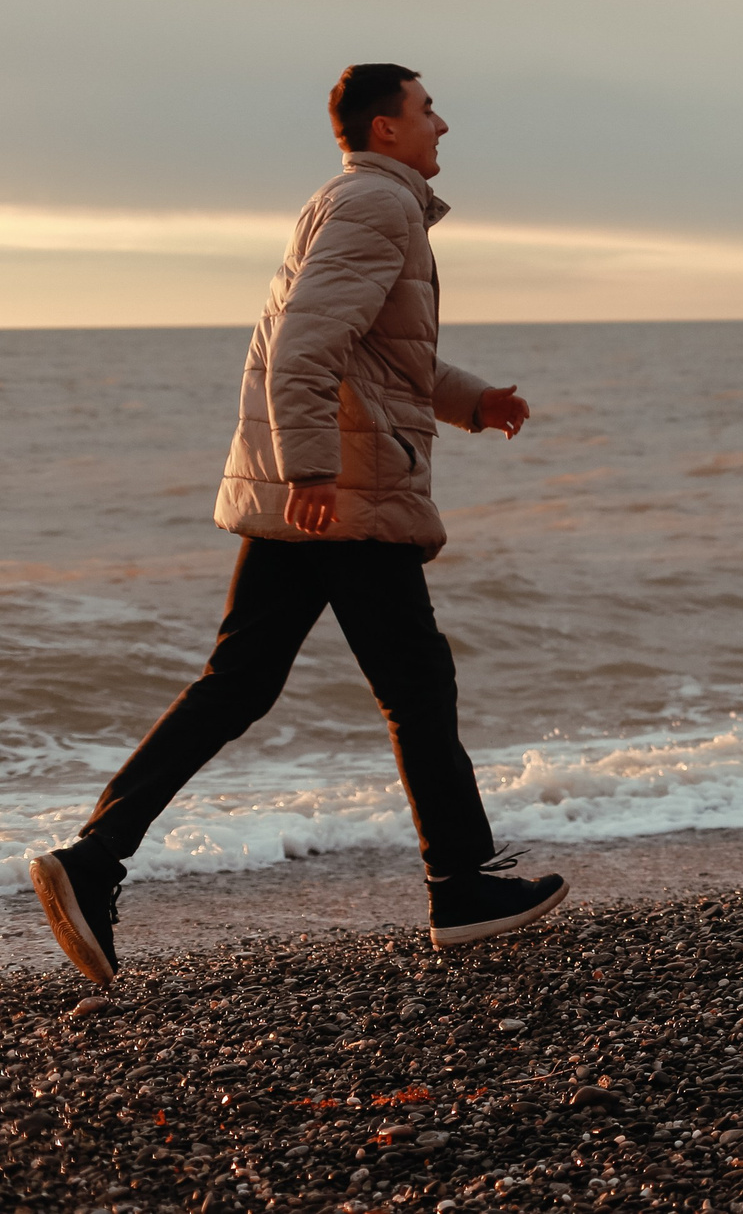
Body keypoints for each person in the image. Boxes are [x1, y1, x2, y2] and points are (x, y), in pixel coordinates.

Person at [29, 65, 569, 986]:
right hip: (343, 494)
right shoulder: (378, 207)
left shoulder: (359, 203)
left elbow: (378, 358)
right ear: (385, 128)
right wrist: (310, 467)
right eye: (427, 108)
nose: (443, 122)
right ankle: (461, 888)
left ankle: (96, 857)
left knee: (242, 684)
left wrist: (475, 402)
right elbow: (304, 345)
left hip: (333, 485)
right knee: (413, 682)